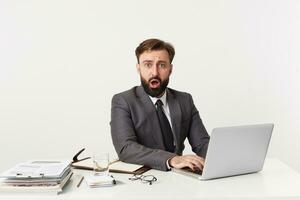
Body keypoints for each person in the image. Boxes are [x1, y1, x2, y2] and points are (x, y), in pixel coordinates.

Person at [110, 38, 210, 171]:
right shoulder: (123, 101)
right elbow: (126, 148)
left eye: (162, 65)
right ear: (138, 68)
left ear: (170, 69)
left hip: (180, 179)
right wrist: (171, 159)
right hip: (144, 180)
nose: (155, 73)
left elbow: (202, 144)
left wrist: (224, 159)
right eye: (148, 64)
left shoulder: (185, 100)